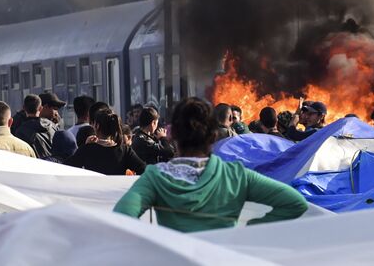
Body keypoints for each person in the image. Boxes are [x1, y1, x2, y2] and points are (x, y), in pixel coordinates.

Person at [113, 97, 308, 232]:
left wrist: (158, 242)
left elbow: (121, 217)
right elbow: (295, 203)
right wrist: (247, 230)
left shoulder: (156, 177)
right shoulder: (236, 175)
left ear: (175, 136)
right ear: (213, 136)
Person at [65, 111, 146, 175]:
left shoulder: (86, 150)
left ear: (97, 126)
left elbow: (66, 168)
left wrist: (85, 146)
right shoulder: (125, 151)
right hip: (118, 194)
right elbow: (143, 169)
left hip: (93, 194)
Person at [16, 94, 57, 159]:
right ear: (41, 108)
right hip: (54, 164)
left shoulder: (20, 131)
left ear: (24, 108)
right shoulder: (53, 126)